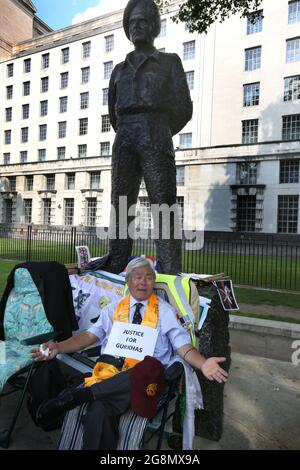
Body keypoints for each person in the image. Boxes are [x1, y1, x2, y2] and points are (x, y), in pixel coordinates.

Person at [32, 258, 228, 450]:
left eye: (149, 277)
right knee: (97, 413)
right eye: (137, 276)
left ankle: (78, 396)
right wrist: (58, 347)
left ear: (154, 282)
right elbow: (87, 337)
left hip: (148, 381)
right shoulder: (112, 310)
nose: (143, 282)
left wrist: (203, 364)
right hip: (111, 376)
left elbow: (184, 347)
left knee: (146, 369)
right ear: (128, 281)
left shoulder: (165, 312)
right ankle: (89, 397)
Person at [107, 0, 193, 275]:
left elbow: (184, 108)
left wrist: (161, 131)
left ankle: (168, 269)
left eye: (142, 21)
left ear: (154, 26)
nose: (137, 27)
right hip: (125, 137)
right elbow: (113, 112)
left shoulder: (169, 62)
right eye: (132, 23)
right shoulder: (118, 70)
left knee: (163, 204)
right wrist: (129, 130)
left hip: (156, 132)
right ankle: (118, 261)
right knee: (121, 204)